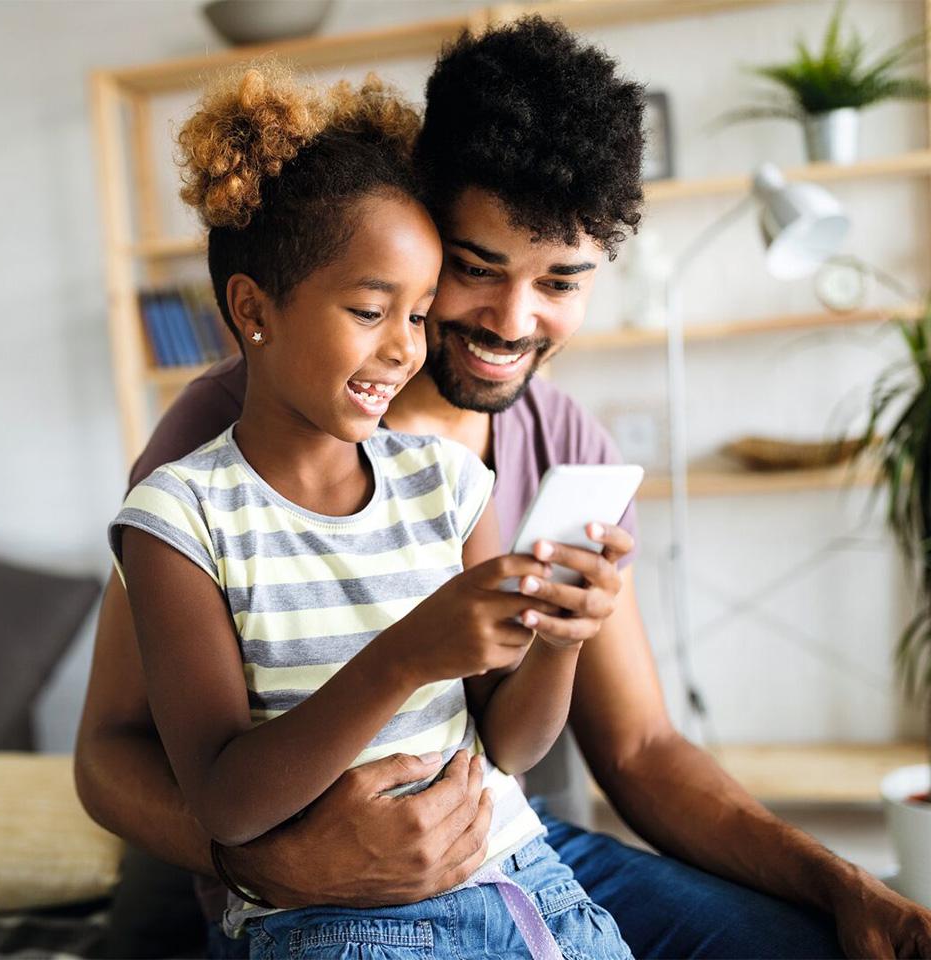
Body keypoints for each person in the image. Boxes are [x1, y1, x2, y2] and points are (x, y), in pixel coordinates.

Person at [76, 16, 931, 960]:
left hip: (516, 848)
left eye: (561, 281)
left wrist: (846, 885)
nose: (512, 322)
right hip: (293, 888)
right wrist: (278, 866)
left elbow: (639, 750)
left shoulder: (552, 446)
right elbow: (109, 756)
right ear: (426, 234)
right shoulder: (216, 444)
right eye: (478, 270)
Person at [107, 64, 635, 960]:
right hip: (331, 923)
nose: (405, 348)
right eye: (369, 309)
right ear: (252, 310)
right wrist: (403, 657)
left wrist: (563, 638)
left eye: (422, 313)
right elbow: (225, 804)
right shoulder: (181, 516)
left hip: (518, 879)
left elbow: (511, 743)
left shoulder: (448, 485)